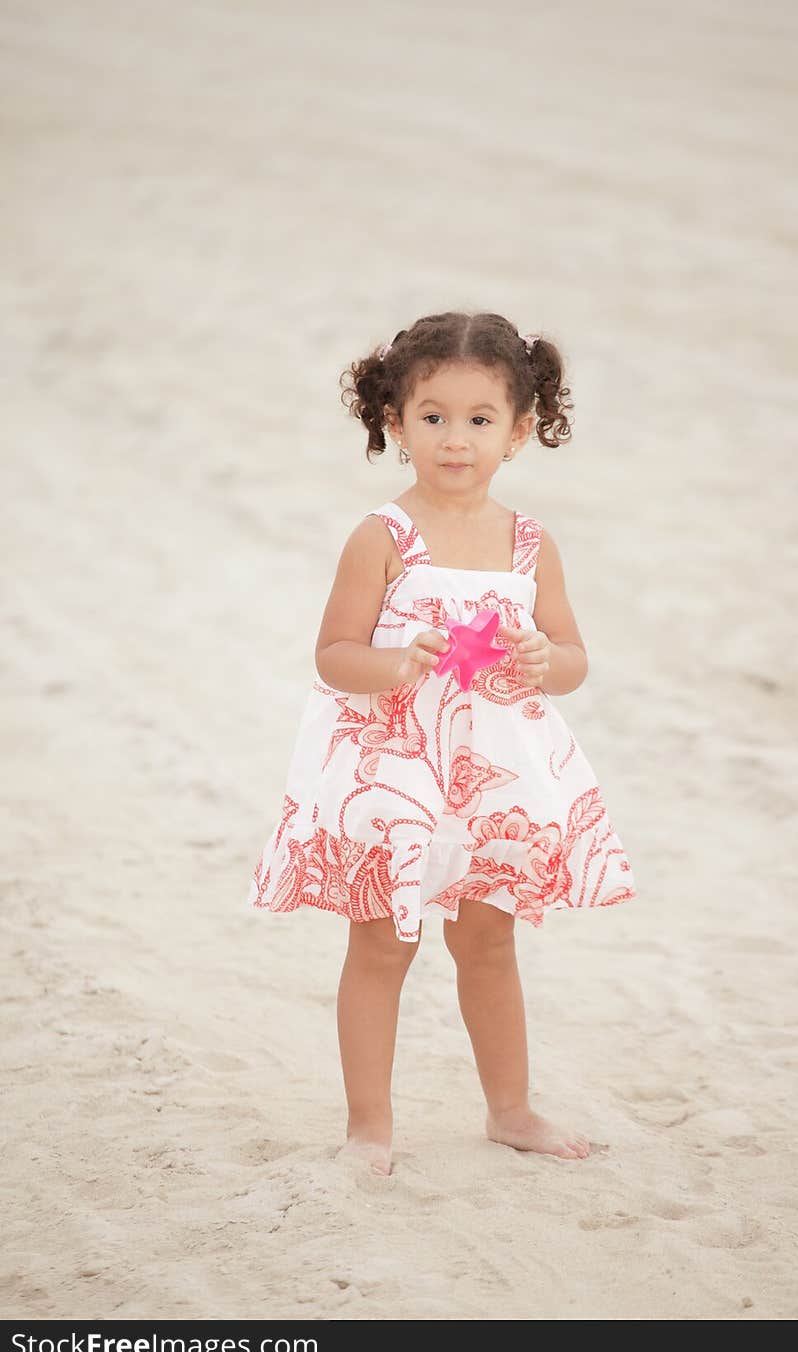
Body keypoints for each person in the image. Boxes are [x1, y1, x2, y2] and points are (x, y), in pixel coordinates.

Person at [246, 310, 637, 1176]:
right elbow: (333, 654)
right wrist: (392, 662)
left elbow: (573, 661)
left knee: (489, 940)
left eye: (479, 419)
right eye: (432, 417)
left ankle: (510, 1108)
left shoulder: (530, 545)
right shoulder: (382, 538)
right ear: (395, 421)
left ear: (521, 430)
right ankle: (369, 1131)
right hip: (396, 765)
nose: (455, 440)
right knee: (384, 940)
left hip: (492, 771)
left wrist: (546, 656)